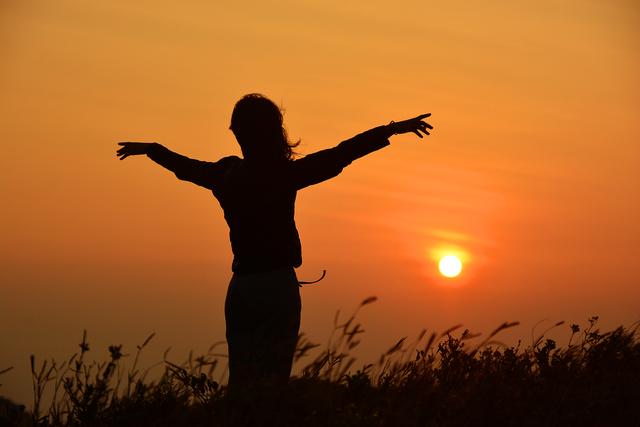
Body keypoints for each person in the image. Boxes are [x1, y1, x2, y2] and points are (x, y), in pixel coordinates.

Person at [116, 93, 432, 390]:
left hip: (240, 288)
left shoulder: (225, 175)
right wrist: (390, 130)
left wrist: (152, 149)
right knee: (273, 381)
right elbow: (341, 154)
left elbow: (184, 167)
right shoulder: (282, 174)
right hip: (276, 287)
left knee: (241, 381)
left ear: (238, 132)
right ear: (273, 130)